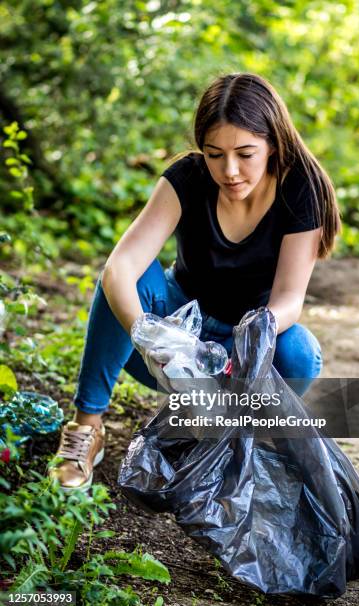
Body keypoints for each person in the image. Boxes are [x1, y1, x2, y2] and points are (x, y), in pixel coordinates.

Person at [50, 72, 341, 491]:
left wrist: (250, 338)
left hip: (237, 354)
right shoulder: (187, 178)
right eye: (214, 154)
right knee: (129, 277)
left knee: (299, 352)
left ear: (273, 144)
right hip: (171, 340)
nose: (230, 170)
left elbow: (290, 300)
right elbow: (120, 267)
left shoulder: (300, 190)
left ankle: (224, 429)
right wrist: (150, 336)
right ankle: (86, 429)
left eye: (245, 153)